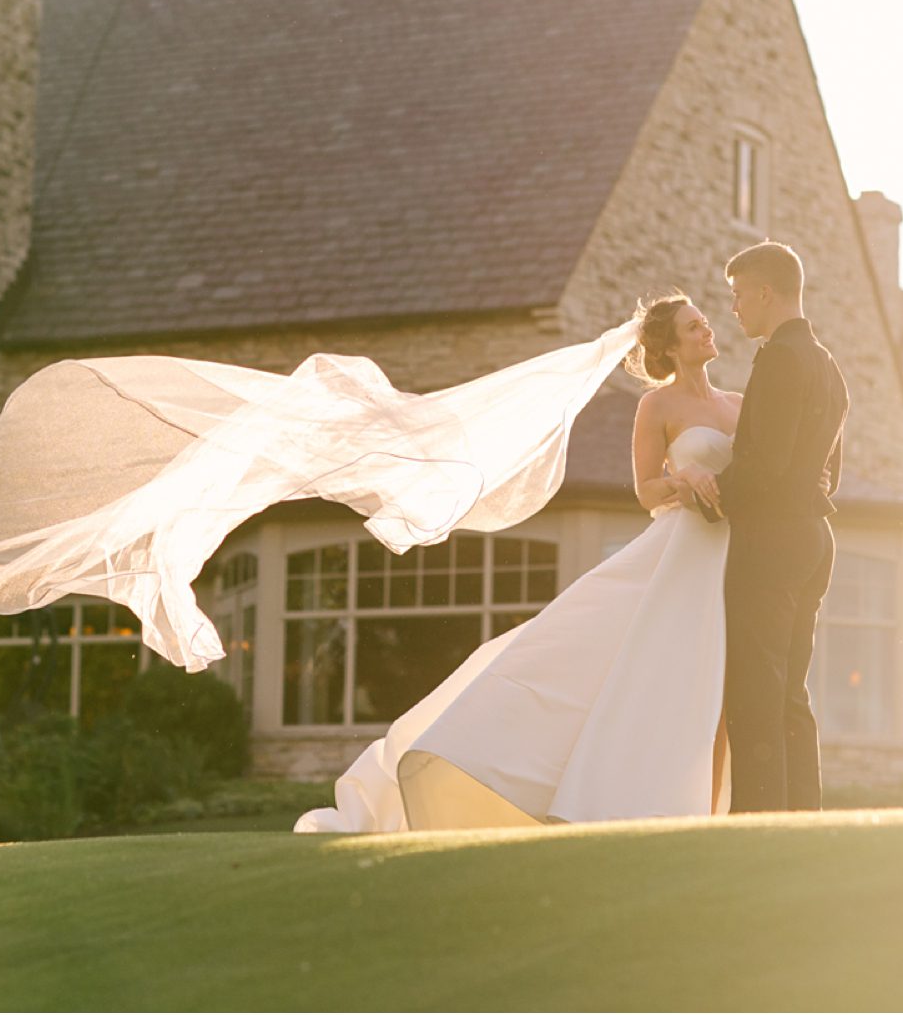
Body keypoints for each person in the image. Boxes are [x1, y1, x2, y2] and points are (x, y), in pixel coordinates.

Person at [293, 290, 743, 831]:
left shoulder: (740, 404)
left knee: (722, 686)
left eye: (704, 322)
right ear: (670, 348)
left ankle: (719, 811)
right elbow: (647, 491)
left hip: (737, 552)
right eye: (693, 326)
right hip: (679, 553)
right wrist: (684, 478)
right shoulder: (657, 407)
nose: (707, 330)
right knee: (615, 658)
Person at [686, 241, 850, 814]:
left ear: (764, 292)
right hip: (813, 539)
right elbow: (829, 472)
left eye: (737, 295)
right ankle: (802, 822)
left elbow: (767, 464)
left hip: (772, 542)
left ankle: (757, 824)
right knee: (789, 694)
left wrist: (709, 496)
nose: (734, 308)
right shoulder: (828, 365)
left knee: (756, 694)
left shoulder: (780, 358)